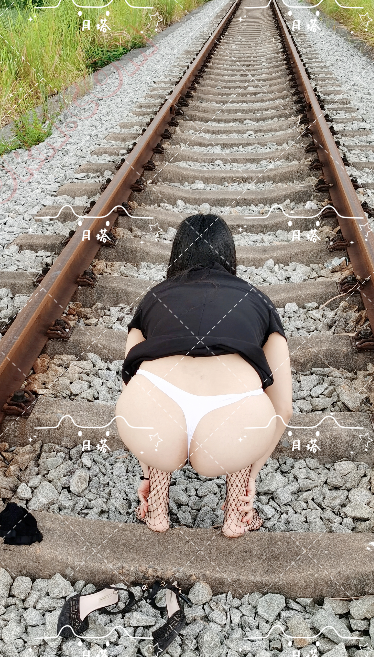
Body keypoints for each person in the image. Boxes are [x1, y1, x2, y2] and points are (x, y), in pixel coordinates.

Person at [115, 213, 292, 537]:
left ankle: (156, 509)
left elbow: (131, 380)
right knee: (248, 404)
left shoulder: (154, 296)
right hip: (233, 422)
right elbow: (283, 407)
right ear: (230, 255)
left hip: (154, 413)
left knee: (155, 395)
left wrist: (147, 471)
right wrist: (252, 476)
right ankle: (236, 516)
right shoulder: (258, 300)